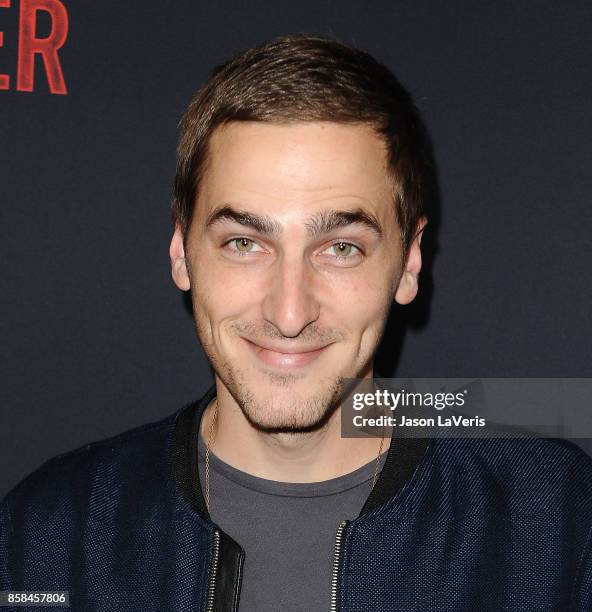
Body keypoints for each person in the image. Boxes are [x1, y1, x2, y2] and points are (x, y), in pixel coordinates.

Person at [1, 33, 591, 612]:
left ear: (409, 263)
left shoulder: (557, 522)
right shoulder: (50, 533)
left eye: (340, 248)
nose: (288, 313)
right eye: (243, 242)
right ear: (181, 250)